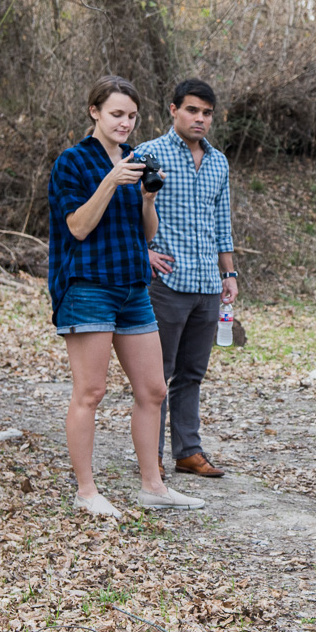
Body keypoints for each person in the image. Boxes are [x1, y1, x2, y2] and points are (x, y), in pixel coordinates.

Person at [47, 75, 205, 520]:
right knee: (90, 392)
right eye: (117, 114)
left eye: (132, 116)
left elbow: (145, 235)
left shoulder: (137, 160)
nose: (125, 123)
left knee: (154, 389)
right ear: (95, 111)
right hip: (87, 286)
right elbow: (76, 227)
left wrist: (147, 200)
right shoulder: (73, 162)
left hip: (133, 285)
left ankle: (152, 486)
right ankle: (86, 490)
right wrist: (111, 181)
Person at [137, 79, 236, 481]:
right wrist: (142, 252)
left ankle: (187, 451)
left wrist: (228, 272)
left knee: (192, 374)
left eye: (207, 113)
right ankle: (151, 457)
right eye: (192, 110)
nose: (200, 118)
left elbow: (222, 222)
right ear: (173, 109)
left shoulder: (218, 162)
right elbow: (121, 210)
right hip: (167, 282)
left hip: (207, 284)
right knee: (157, 376)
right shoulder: (149, 154)